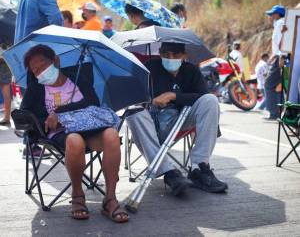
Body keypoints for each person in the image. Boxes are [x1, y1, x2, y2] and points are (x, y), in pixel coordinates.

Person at [21, 45, 129, 222]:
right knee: (74, 140)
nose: (40, 72)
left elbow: (92, 102)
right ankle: (78, 194)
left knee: (111, 135)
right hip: (61, 135)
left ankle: (110, 199)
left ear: (55, 61)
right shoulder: (36, 89)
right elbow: (26, 116)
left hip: (90, 128)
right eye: (36, 70)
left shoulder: (78, 78)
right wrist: (47, 120)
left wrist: (62, 112)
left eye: (43, 65)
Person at [126, 42, 228, 196]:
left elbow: (202, 95)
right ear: (160, 53)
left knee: (210, 101)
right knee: (133, 112)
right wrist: (150, 100)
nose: (170, 58)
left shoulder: (191, 70)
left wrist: (174, 96)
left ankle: (200, 168)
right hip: (150, 125)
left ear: (184, 55)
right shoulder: (149, 68)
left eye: (176, 55)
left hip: (179, 121)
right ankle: (169, 172)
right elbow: (134, 95)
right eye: (166, 54)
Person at [15, 0, 63, 158]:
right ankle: (32, 143)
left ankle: (30, 142)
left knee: (31, 98)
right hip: (40, 54)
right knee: (37, 100)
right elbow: (57, 21)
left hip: (26, 52)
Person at [264, 4, 286, 120]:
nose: (270, 16)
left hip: (281, 57)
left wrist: (278, 55)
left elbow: (282, 41)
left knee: (268, 84)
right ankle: (280, 111)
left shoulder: (280, 23)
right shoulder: (280, 23)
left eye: (272, 14)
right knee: (282, 86)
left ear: (277, 14)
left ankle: (274, 113)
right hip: (279, 56)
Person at [0, 44, 12, 126]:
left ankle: (7, 117)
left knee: (6, 91)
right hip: (6, 59)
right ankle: (7, 117)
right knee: (6, 92)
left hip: (4, 61)